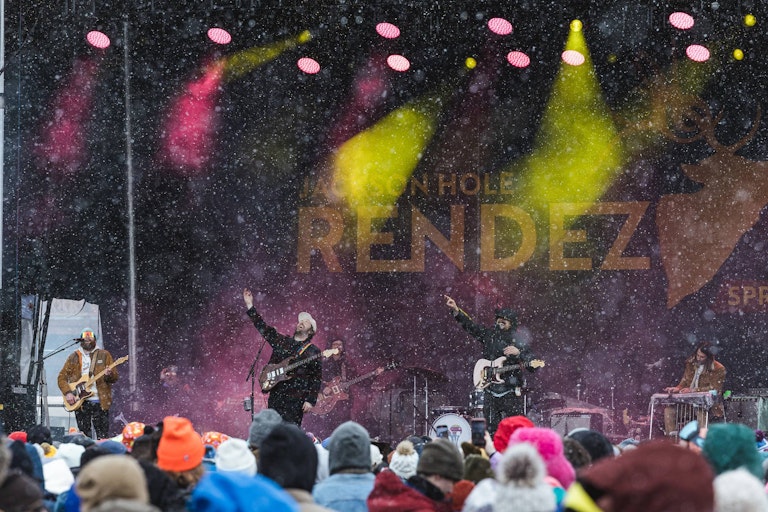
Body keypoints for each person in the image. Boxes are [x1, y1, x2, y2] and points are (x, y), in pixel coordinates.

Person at [444, 296, 540, 435]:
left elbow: (533, 365)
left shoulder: (519, 341)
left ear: (511, 323)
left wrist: (519, 353)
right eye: (498, 318)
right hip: (491, 390)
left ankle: (514, 454)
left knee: (517, 428)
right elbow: (472, 327)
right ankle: (493, 453)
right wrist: (456, 311)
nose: (500, 321)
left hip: (510, 391)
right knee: (490, 430)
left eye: (504, 320)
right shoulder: (490, 335)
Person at [243, 288, 322, 426]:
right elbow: (263, 328)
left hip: (296, 398)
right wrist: (250, 305)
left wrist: (310, 400)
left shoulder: (313, 351)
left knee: (290, 432)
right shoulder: (283, 341)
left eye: (306, 321)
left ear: (311, 331)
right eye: (300, 320)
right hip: (277, 394)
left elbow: (316, 378)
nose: (301, 322)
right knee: (273, 428)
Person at [57, 328, 119, 439]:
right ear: (81, 339)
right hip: (81, 402)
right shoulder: (74, 357)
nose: (88, 337)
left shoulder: (104, 355)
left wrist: (109, 374)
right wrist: (68, 393)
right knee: (84, 436)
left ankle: (102, 454)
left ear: (95, 339)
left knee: (102, 435)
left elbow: (114, 378)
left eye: (90, 335)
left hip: (100, 401)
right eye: (85, 335)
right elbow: (62, 377)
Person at [662, 341, 726, 434]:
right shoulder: (690, 364)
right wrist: (677, 388)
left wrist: (693, 390)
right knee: (669, 411)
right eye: (697, 355)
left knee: (701, 412)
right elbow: (684, 381)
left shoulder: (718, 369)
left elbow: (715, 390)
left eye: (702, 357)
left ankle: (701, 441)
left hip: (707, 406)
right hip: (688, 405)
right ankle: (673, 441)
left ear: (709, 357)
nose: (699, 358)